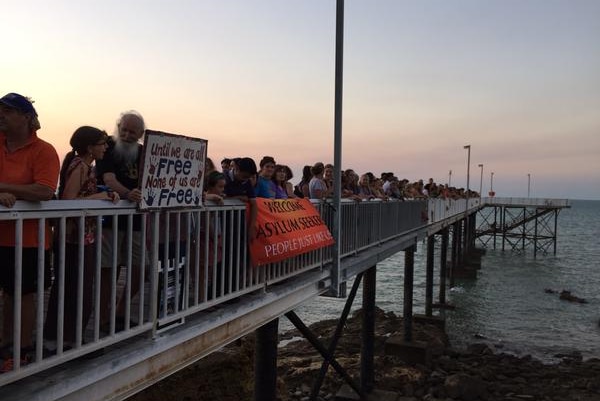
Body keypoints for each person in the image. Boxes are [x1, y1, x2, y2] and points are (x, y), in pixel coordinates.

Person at [44, 127, 119, 350]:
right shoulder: (80, 166)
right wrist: (102, 196)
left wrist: (104, 194)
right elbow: (69, 199)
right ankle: (66, 339)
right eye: (102, 143)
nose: (105, 147)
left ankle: (65, 337)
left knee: (77, 287)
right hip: (74, 238)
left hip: (82, 236)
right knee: (76, 288)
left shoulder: (85, 166)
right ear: (89, 147)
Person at [0, 93, 60, 369]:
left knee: (23, 294)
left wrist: (5, 189)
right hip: (4, 234)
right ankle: (5, 346)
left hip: (29, 238)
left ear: (26, 117)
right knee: (7, 293)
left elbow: (44, 190)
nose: (1, 115)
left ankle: (21, 350)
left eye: (7, 111)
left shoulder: (44, 150)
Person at [95, 110, 145, 333]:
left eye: (132, 131)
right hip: (110, 219)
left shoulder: (145, 152)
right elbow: (108, 179)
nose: (126, 134)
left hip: (135, 220)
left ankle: (120, 310)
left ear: (140, 134)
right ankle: (105, 318)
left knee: (141, 267)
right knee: (109, 270)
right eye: (123, 129)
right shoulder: (108, 147)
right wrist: (127, 194)